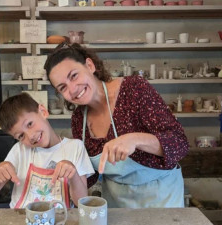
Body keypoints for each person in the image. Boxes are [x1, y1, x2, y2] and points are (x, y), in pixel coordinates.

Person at [44, 42, 189, 208]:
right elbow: (89, 178)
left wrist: (134, 139)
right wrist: (71, 171)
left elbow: (180, 143)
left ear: (89, 65)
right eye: (62, 87)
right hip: (116, 205)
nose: (73, 89)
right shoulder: (79, 119)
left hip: (161, 199)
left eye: (74, 76)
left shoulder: (133, 89)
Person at [0, 93, 94, 208]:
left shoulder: (75, 147)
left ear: (43, 111)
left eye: (30, 124)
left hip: (59, 221)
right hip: (21, 220)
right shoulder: (19, 151)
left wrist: (73, 175)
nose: (30, 136)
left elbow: (81, 202)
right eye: (21, 136)